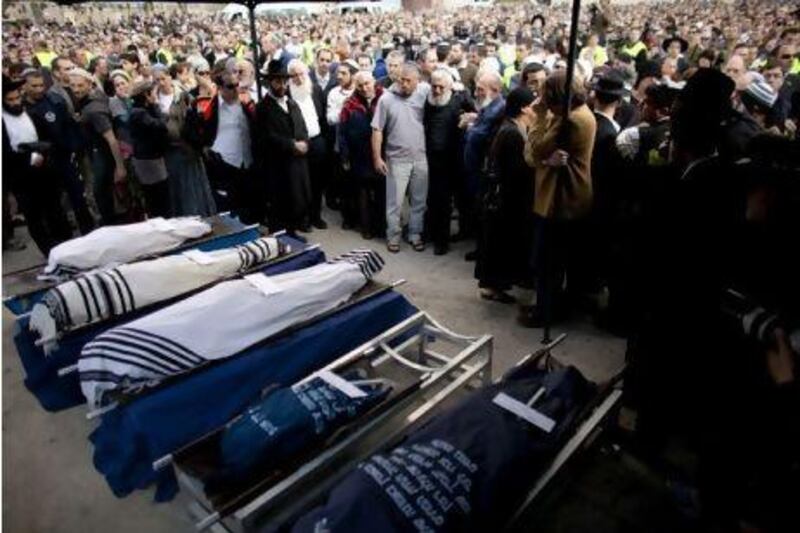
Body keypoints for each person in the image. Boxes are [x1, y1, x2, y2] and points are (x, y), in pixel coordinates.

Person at [520, 70, 597, 327]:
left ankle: (546, 312)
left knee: (546, 261)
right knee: (552, 260)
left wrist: (539, 117)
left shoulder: (570, 120)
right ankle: (549, 306)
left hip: (559, 199)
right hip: (567, 197)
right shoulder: (580, 113)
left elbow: (537, 148)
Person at [475, 87, 537, 303]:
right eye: (533, 106)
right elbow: (516, 171)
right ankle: (493, 286)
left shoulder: (513, 127)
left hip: (506, 198)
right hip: (506, 200)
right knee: (499, 243)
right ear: (524, 108)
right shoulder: (511, 133)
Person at [3, 76, 72, 255]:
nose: (15, 102)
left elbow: (47, 137)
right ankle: (50, 255)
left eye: (17, 97)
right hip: (21, 178)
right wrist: (28, 156)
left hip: (45, 172)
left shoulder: (30, 113)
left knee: (55, 212)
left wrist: (42, 150)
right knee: (35, 219)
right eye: (10, 100)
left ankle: (67, 248)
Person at [23, 67, 96, 235]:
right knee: (52, 204)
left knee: (77, 196)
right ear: (25, 87)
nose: (38, 89)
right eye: (34, 86)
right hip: (40, 163)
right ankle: (62, 237)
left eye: (41, 85)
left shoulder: (54, 101)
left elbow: (69, 126)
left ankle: (88, 231)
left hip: (62, 157)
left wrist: (74, 147)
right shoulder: (21, 108)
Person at [371, 62, 430, 253]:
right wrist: (377, 158)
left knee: (419, 201)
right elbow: (377, 130)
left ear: (417, 81)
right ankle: (393, 236)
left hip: (420, 158)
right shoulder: (386, 99)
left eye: (408, 81)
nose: (403, 84)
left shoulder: (423, 93)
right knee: (394, 203)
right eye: (401, 80)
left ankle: (415, 234)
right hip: (396, 160)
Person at [154, 64, 217, 218]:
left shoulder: (183, 96)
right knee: (177, 188)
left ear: (169, 77)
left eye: (163, 78)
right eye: (157, 80)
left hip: (188, 149)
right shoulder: (154, 100)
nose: (161, 82)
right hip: (170, 152)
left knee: (192, 186)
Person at [257, 60, 312, 235]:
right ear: (270, 82)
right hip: (278, 165)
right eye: (277, 81)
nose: (282, 85)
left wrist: (304, 143)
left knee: (299, 201)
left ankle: (292, 233)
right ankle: (281, 238)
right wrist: (291, 145)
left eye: (284, 81)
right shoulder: (263, 108)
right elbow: (265, 136)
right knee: (281, 204)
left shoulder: (291, 103)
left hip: (297, 162)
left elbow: (302, 126)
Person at [423, 69, 473, 255]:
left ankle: (454, 236)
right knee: (436, 200)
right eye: (433, 86)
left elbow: (474, 115)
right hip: (433, 159)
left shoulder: (460, 100)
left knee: (454, 200)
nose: (436, 90)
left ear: (449, 86)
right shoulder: (428, 100)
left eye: (440, 86)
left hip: (454, 158)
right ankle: (436, 237)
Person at [70, 67, 127, 226]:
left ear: (89, 84)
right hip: (97, 152)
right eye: (73, 85)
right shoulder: (95, 98)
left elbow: (111, 139)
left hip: (102, 155)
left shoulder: (93, 109)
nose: (76, 89)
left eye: (80, 85)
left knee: (102, 195)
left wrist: (120, 167)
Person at [196, 68, 255, 220]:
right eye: (230, 86)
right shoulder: (209, 107)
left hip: (247, 162)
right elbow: (197, 134)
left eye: (237, 85)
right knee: (229, 210)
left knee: (249, 208)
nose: (235, 90)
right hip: (224, 165)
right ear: (220, 88)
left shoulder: (245, 102)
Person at [461, 70, 506, 254]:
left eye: (481, 89)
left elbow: (479, 135)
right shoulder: (490, 106)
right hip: (476, 167)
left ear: (494, 90)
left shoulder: (497, 109)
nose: (476, 93)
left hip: (483, 170)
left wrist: (470, 126)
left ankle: (483, 251)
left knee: (482, 211)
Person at [339, 71, 385, 239]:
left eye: (367, 83)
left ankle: (380, 226)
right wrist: (344, 156)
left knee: (381, 191)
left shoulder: (384, 98)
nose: (364, 88)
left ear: (373, 81)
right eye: (360, 85)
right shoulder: (349, 104)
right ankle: (366, 228)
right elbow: (342, 132)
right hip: (359, 154)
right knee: (363, 193)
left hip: (381, 152)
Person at [288, 58, 329, 229]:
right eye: (294, 75)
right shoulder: (288, 94)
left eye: (301, 74)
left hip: (317, 140)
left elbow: (323, 117)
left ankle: (316, 216)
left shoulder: (316, 89)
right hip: (299, 144)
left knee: (318, 181)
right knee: (301, 183)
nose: (299, 78)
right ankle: (302, 219)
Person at [128, 80, 170, 217]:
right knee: (157, 196)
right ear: (146, 95)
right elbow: (160, 126)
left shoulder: (144, 110)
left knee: (161, 195)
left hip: (154, 156)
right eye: (153, 93)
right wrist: (157, 106)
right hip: (148, 160)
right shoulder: (138, 113)